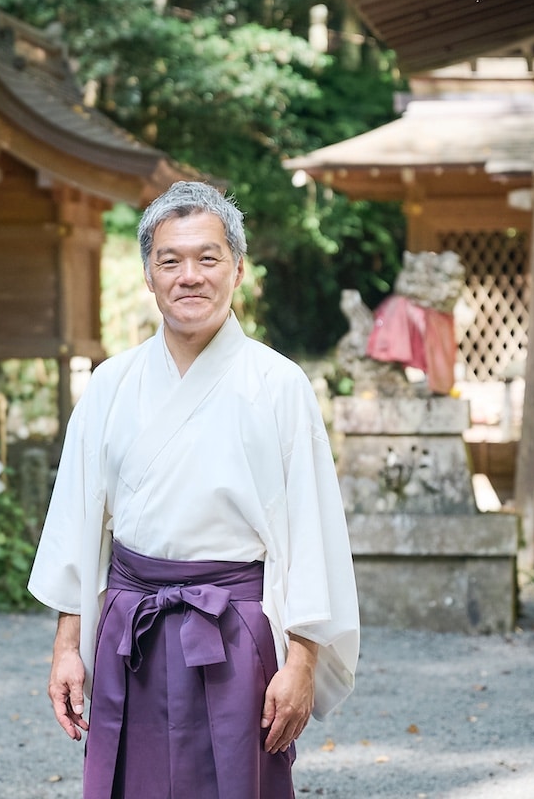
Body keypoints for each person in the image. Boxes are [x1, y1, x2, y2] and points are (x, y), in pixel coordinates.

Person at [28, 180, 359, 799]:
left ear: (237, 269)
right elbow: (75, 522)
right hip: (132, 629)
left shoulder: (278, 385)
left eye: (208, 258)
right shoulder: (111, 385)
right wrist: (67, 647)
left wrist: (303, 661)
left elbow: (312, 532)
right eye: (169, 260)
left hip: (235, 632)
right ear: (149, 275)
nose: (190, 276)